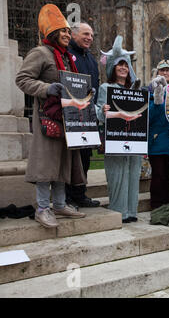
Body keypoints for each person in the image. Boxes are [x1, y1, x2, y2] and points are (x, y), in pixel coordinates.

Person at [15, 4, 86, 228]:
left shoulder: (67, 57)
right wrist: (47, 88)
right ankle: (43, 208)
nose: (67, 34)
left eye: (68, 30)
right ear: (53, 33)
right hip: (48, 118)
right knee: (46, 165)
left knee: (62, 162)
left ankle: (60, 203)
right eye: (63, 31)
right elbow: (22, 79)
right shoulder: (40, 53)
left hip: (68, 118)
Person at [95, 35, 142, 223]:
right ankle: (118, 211)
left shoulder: (136, 89)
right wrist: (103, 110)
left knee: (133, 173)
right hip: (115, 139)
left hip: (135, 139)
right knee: (117, 175)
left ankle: (131, 212)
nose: (123, 67)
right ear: (113, 68)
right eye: (119, 64)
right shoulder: (106, 87)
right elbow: (98, 111)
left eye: (125, 64)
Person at [66, 21, 100, 208]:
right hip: (71, 115)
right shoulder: (67, 55)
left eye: (91, 36)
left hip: (88, 116)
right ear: (74, 34)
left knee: (85, 156)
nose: (89, 38)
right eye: (86, 34)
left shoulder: (91, 59)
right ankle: (67, 196)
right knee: (72, 158)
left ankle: (80, 194)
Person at [146, 59, 169, 210]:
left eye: (168, 70)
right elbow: (148, 117)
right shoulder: (150, 91)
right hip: (157, 140)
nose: (165, 72)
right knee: (158, 175)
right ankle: (156, 206)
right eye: (162, 70)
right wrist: (156, 101)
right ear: (157, 72)